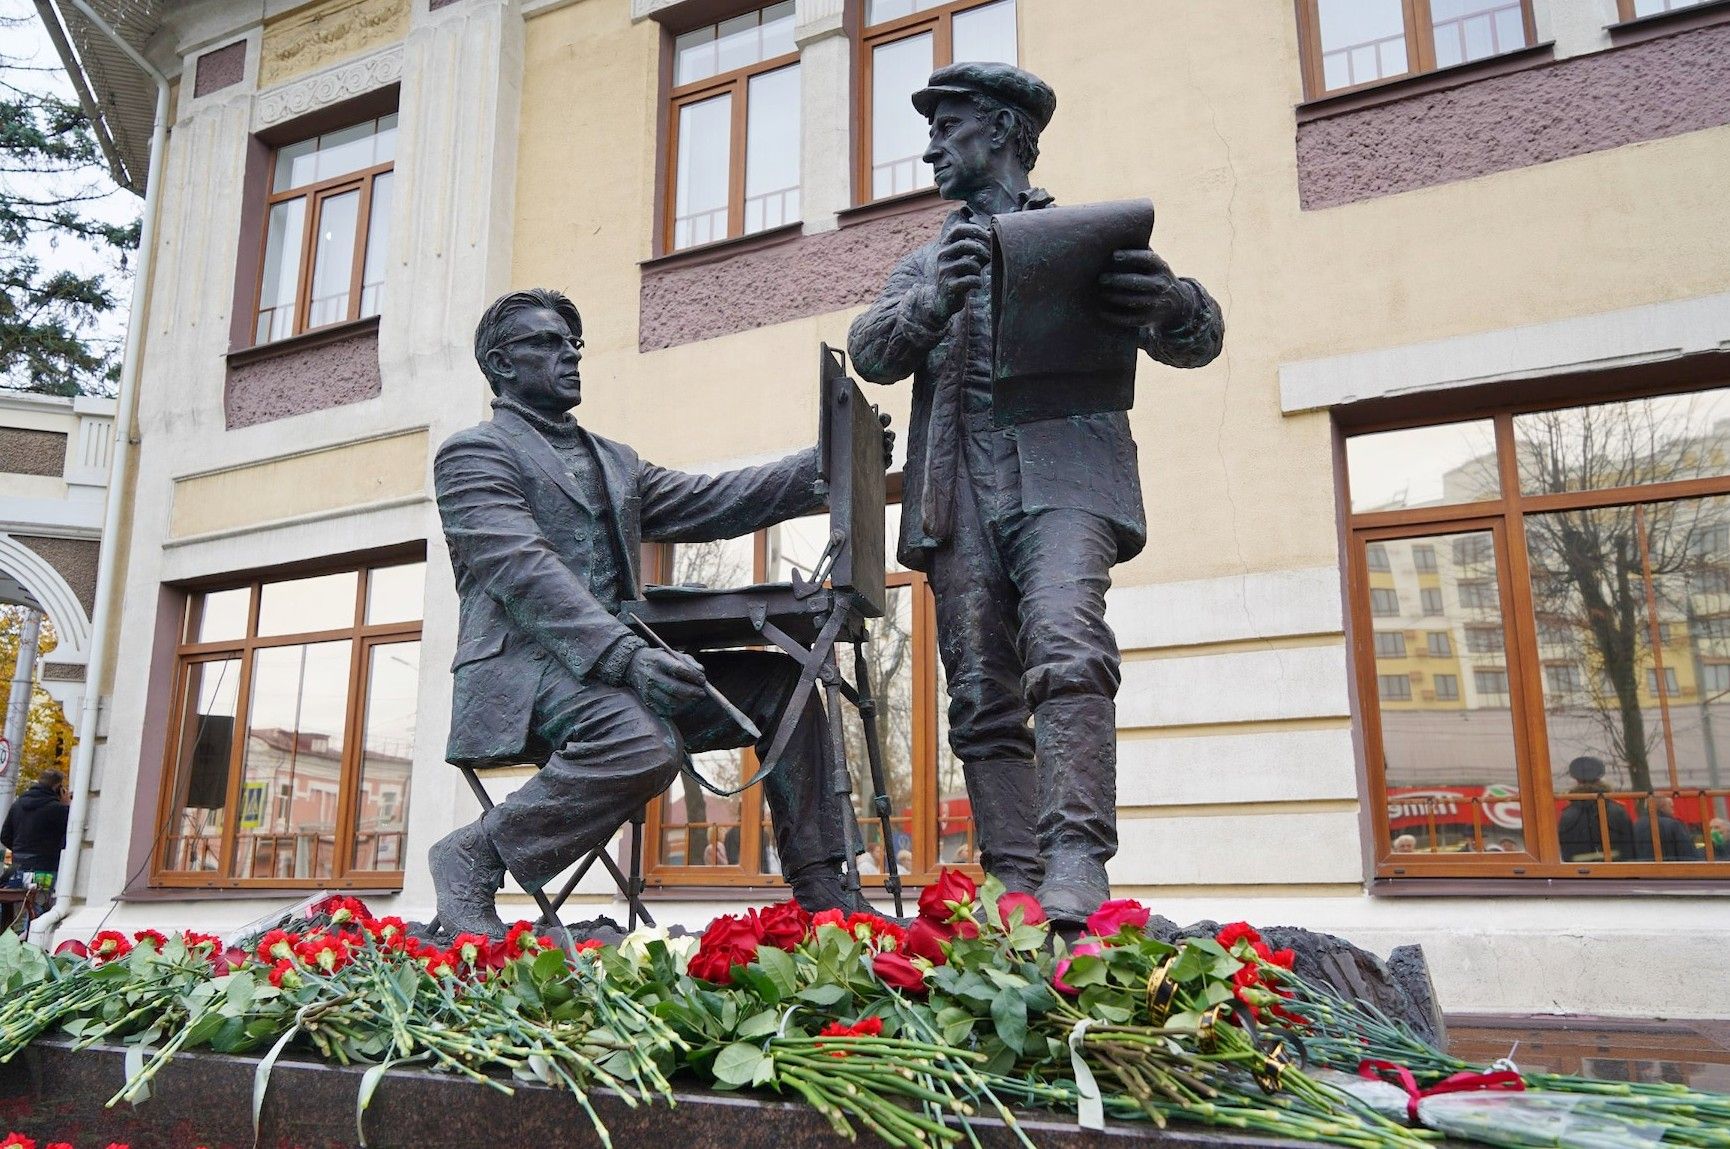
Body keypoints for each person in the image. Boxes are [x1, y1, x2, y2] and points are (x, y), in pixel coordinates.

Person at [847, 63, 1223, 926]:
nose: (933, 146)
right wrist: (934, 300)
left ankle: (1078, 859)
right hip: (960, 492)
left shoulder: (1088, 240)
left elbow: (1197, 337)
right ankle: (1016, 879)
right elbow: (870, 352)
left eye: (951, 128)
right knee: (980, 688)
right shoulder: (926, 259)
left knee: (1067, 640)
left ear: (1008, 132)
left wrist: (1167, 303)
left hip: (1062, 478)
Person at [429, 289, 889, 937]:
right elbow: (522, 571)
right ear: (502, 365)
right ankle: (477, 852)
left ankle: (820, 880)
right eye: (548, 343)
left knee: (781, 686)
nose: (570, 355)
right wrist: (628, 658)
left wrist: (827, 468)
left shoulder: (611, 461)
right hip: (526, 675)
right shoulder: (474, 454)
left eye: (575, 344)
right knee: (645, 739)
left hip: (615, 674)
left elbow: (711, 500)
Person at [1555, 756, 1634, 862]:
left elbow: (1566, 853)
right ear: (1599, 779)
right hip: (1616, 874)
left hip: (1580, 875)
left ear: (1577, 780)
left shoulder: (1567, 815)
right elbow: (1630, 850)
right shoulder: (1617, 811)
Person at [1, 770, 71, 881]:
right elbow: (68, 839)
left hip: (18, 864)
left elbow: (5, 836)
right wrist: (67, 807)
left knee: (18, 896)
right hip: (46, 867)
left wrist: (20, 850)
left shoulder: (17, 804)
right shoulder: (58, 809)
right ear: (58, 787)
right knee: (43, 896)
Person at [1632, 793, 1701, 861]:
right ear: (1662, 806)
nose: (1673, 811)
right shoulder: (1673, 825)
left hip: (1642, 870)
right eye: (1671, 807)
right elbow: (1689, 855)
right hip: (1670, 869)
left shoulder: (1636, 825)